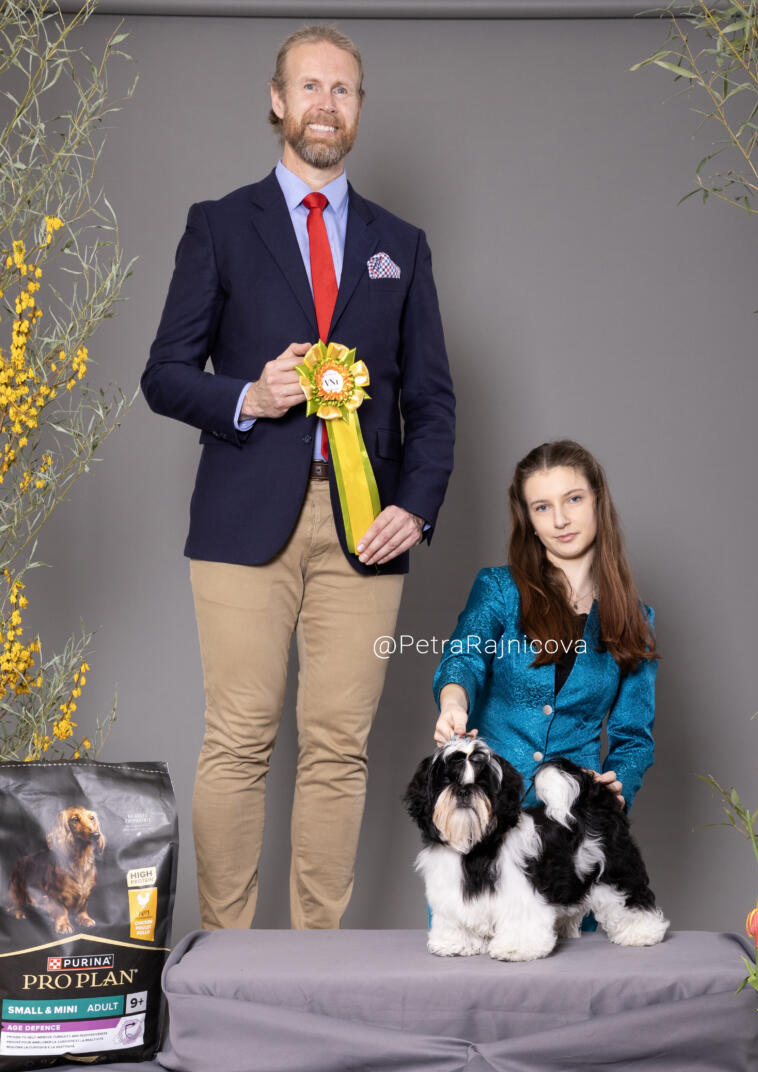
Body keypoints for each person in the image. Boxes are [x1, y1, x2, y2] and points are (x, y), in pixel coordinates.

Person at [141, 26, 456, 930]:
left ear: (359, 110)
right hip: (243, 521)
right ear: (277, 100)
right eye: (310, 87)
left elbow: (431, 399)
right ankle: (229, 960)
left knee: (339, 748)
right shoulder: (218, 225)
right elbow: (164, 375)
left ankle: (316, 964)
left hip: (366, 533)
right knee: (239, 739)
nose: (326, 104)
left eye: (343, 90)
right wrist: (249, 394)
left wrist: (416, 506)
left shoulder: (403, 245)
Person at [433, 441, 657, 810]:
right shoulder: (499, 589)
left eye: (574, 499)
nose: (560, 520)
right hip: (488, 809)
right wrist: (453, 703)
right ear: (529, 521)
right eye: (542, 507)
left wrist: (619, 785)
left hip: (573, 818)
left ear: (598, 502)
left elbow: (633, 738)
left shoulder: (636, 619)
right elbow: (464, 657)